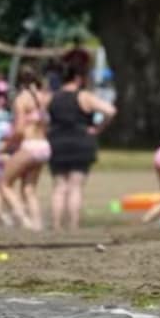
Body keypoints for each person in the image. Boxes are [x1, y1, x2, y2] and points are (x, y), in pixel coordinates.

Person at [46, 54, 117, 231]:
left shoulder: (52, 97)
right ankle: (73, 225)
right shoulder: (84, 96)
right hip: (81, 142)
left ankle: (56, 225)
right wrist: (98, 128)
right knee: (75, 187)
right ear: (78, 78)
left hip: (57, 142)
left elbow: (43, 118)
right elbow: (110, 110)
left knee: (59, 186)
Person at [0, 65, 51, 231]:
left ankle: (23, 221)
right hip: (44, 146)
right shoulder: (44, 98)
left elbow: (19, 130)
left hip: (30, 146)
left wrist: (5, 146)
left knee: (4, 184)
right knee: (29, 189)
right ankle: (37, 225)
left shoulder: (21, 99)